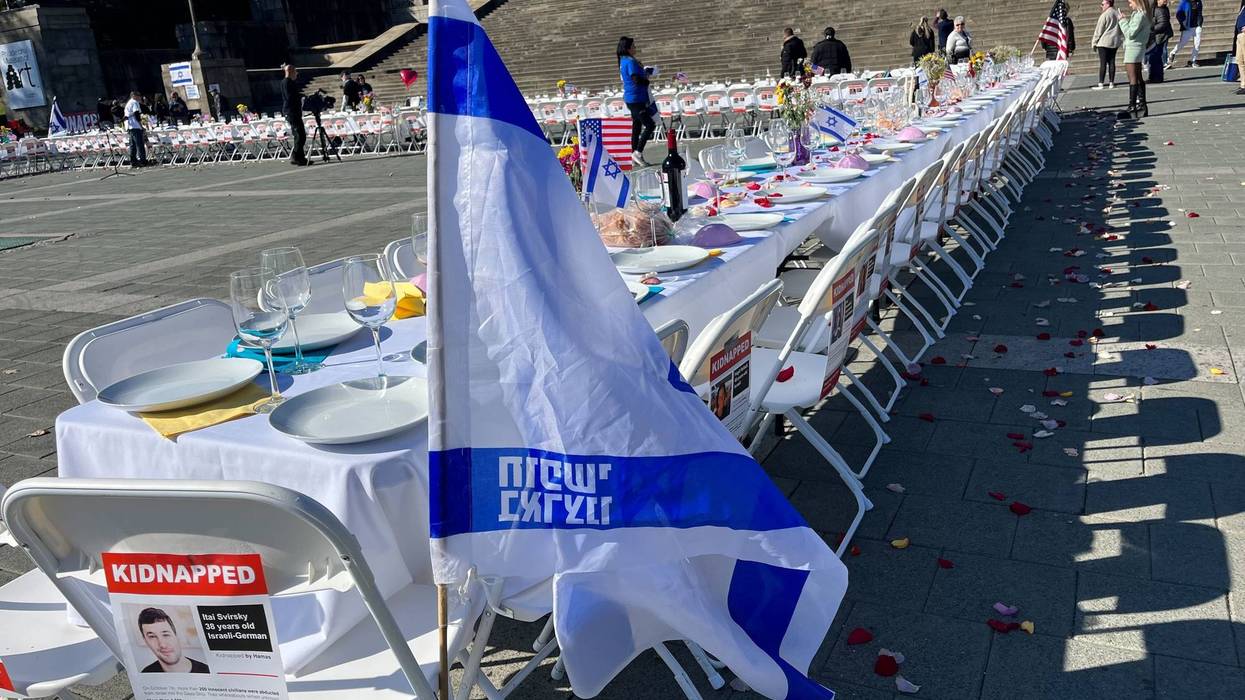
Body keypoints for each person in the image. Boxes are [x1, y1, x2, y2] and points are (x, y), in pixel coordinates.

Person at [617, 36, 656, 167]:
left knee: (637, 127)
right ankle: (637, 152)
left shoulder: (624, 60)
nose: (635, 48)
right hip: (636, 98)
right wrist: (646, 80)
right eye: (633, 46)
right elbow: (635, 79)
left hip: (632, 98)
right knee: (650, 125)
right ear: (628, 48)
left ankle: (634, 154)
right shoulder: (630, 62)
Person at [137, 608, 210, 674]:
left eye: (166, 634)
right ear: (146, 641)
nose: (162, 644)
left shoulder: (206, 671)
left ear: (176, 635)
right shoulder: (146, 673)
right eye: (152, 636)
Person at [1120, 0, 1155, 118]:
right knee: (1138, 76)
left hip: (1133, 47)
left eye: (1131, 2)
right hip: (1138, 47)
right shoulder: (1143, 14)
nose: (1130, 5)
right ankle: (1142, 105)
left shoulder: (1140, 15)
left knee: (1132, 77)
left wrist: (1122, 21)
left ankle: (1132, 106)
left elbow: (1130, 33)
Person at [1092, 0, 1125, 89]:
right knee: (1112, 62)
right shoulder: (1117, 13)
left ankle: (1101, 83)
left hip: (1104, 42)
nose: (1101, 6)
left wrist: (1094, 42)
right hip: (1114, 41)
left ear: (1108, 4)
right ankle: (1111, 82)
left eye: (1102, 4)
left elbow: (1099, 30)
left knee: (1103, 63)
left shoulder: (1105, 15)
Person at [283, 63, 309, 166]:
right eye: (295, 71)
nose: (297, 74)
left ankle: (300, 158)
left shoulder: (288, 82)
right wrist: (300, 97)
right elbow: (290, 97)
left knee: (299, 134)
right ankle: (295, 156)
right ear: (291, 72)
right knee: (299, 135)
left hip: (293, 111)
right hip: (292, 111)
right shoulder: (287, 82)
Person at [1166, 0, 1203, 68]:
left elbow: (1200, 13)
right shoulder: (1184, 2)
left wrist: (1200, 24)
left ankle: (1193, 61)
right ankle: (1172, 53)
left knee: (1197, 44)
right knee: (1182, 43)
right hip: (1187, 26)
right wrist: (1183, 23)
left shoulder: (1198, 1)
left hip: (1197, 26)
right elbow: (1178, 14)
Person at [1148, 0, 1174, 80]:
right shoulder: (1159, 8)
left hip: (1160, 36)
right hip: (1159, 35)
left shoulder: (1160, 10)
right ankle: (1154, 76)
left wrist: (1151, 29)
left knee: (1155, 57)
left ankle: (1156, 77)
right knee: (1155, 57)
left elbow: (1162, 24)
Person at [123, 91, 148, 167]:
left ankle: (133, 161)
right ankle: (143, 160)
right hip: (135, 125)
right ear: (134, 96)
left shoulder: (128, 103)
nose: (139, 97)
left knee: (132, 145)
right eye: (138, 95)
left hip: (129, 126)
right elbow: (136, 114)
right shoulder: (134, 102)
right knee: (140, 144)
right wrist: (141, 125)